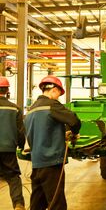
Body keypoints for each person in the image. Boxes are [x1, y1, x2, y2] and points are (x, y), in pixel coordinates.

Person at [24, 75, 81, 210]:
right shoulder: (52, 105)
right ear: (54, 90)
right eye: (59, 94)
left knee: (37, 203)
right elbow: (73, 120)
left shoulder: (31, 110)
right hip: (51, 163)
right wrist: (73, 132)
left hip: (37, 164)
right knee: (57, 203)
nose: (58, 98)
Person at [0, 76, 26, 210]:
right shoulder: (14, 109)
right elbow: (20, 131)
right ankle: (18, 204)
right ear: (7, 91)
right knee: (13, 177)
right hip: (8, 149)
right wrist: (21, 146)